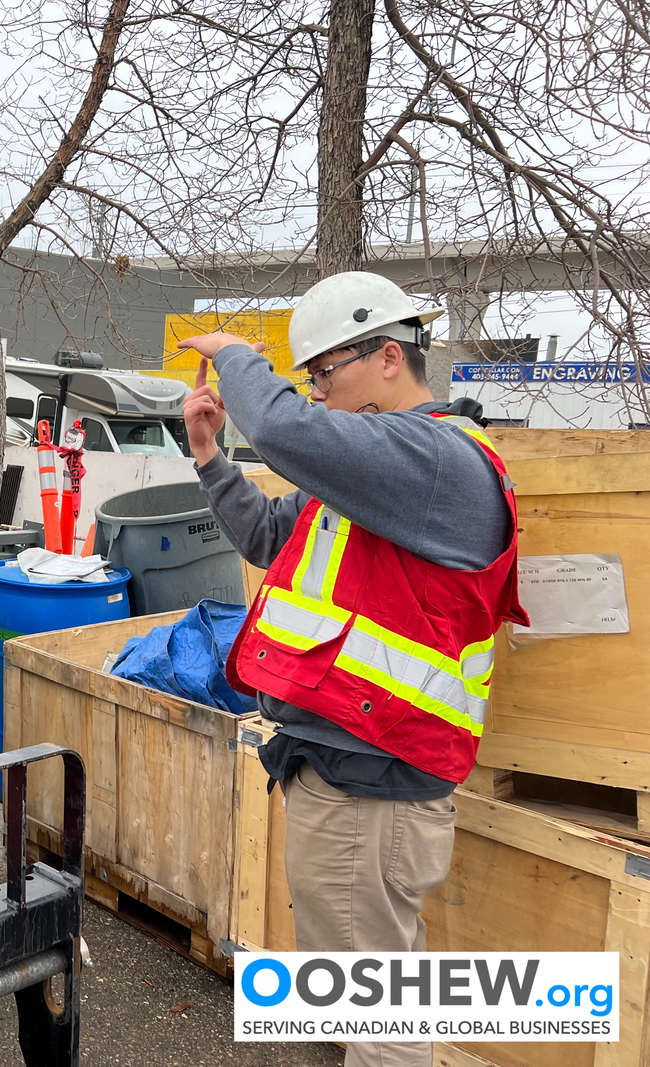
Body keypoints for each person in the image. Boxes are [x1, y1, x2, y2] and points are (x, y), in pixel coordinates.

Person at [179, 272, 528, 1067]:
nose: (318, 394)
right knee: (339, 999)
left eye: (321, 374)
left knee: (380, 1018)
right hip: (343, 771)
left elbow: (280, 427)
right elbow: (273, 536)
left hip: (373, 782)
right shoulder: (382, 473)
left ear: (383, 356)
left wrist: (235, 354)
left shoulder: (433, 458)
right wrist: (209, 459)